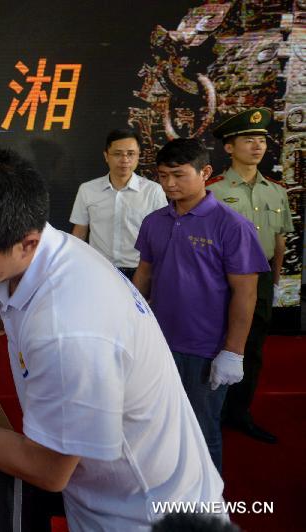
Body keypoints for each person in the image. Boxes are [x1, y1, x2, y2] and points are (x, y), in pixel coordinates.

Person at [0, 146, 225, 531]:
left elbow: (47, 470)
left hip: (145, 514)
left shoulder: (68, 330)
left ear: (27, 243)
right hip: (109, 492)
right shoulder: (40, 256)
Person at [132, 139, 268, 471]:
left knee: (203, 432)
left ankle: (207, 500)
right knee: (159, 426)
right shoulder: (154, 221)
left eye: (178, 175)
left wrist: (233, 352)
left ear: (205, 172)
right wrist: (130, 323)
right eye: (163, 176)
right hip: (159, 343)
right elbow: (144, 274)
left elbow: (246, 294)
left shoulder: (232, 225)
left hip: (205, 348)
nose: (169, 184)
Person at [207, 108, 293, 444]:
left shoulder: (276, 191)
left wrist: (274, 281)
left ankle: (239, 413)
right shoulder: (212, 191)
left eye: (261, 140)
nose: (257, 146)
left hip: (262, 278)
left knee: (253, 348)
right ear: (229, 147)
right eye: (248, 139)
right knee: (216, 344)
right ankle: (210, 413)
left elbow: (280, 242)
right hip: (221, 279)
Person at [70, 128, 166, 279]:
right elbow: (80, 232)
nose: (124, 159)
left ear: (138, 155)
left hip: (140, 270)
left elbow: (161, 235)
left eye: (131, 153)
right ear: (106, 156)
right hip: (99, 268)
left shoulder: (153, 191)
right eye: (117, 154)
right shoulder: (87, 189)